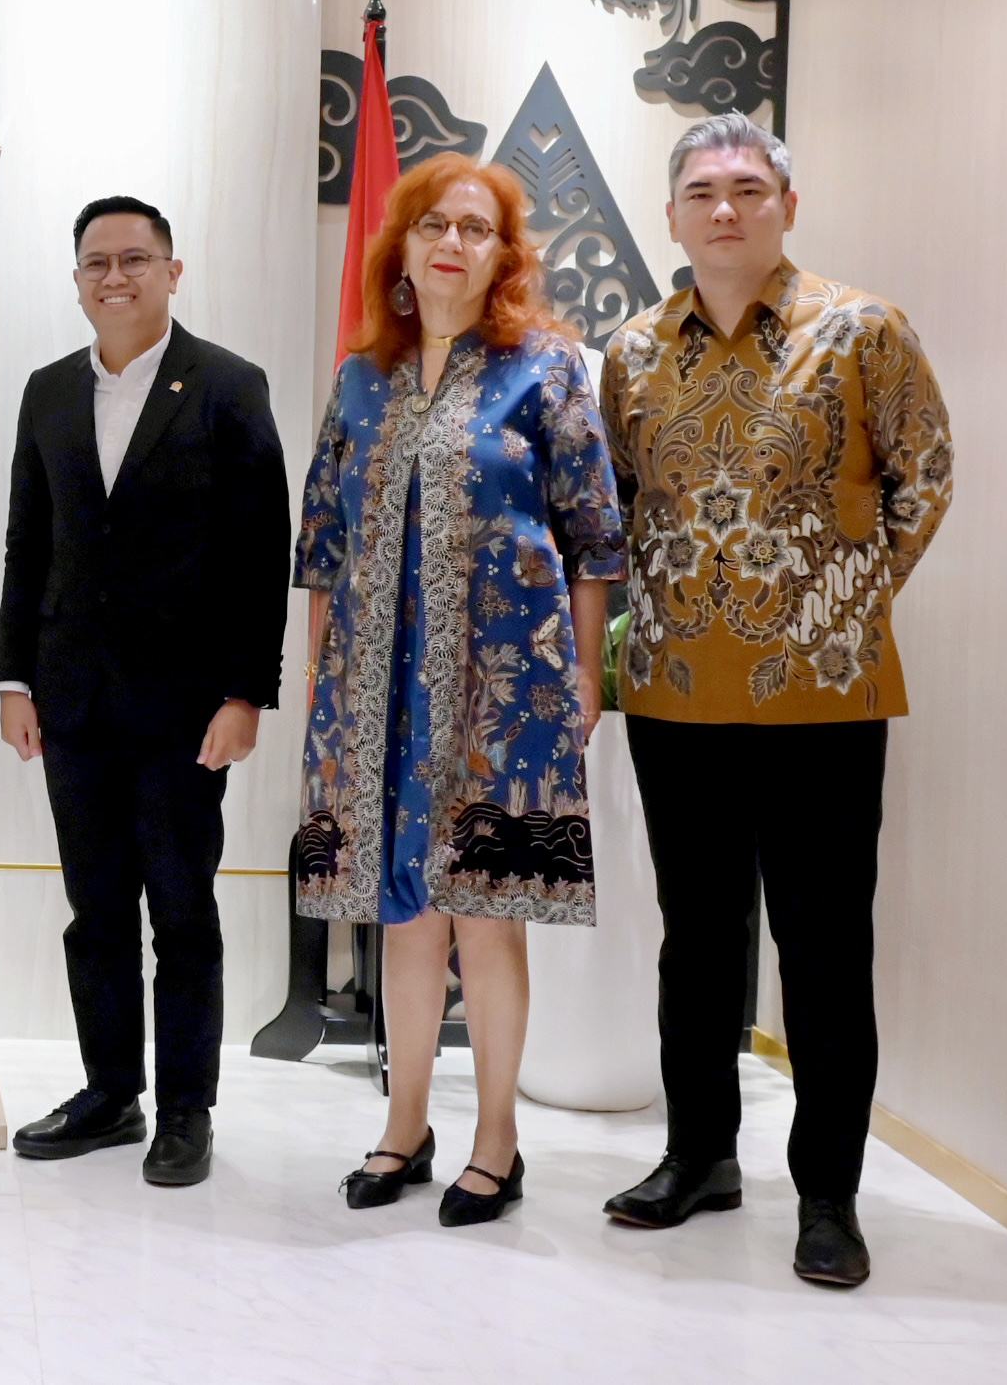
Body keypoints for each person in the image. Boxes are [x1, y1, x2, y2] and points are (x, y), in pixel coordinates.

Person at [598, 113, 952, 1287]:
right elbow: (621, 500)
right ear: (671, 216)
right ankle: (698, 1154)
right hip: (671, 697)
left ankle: (828, 1194)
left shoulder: (861, 329)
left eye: (748, 188)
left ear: (786, 207)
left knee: (823, 948)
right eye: (701, 190)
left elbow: (924, 473)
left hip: (824, 700)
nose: (725, 207)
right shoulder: (631, 351)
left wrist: (839, 600)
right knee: (695, 942)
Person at [291, 155, 623, 1226]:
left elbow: (593, 537)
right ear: (402, 246)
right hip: (376, 690)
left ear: (503, 255)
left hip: (505, 689)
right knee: (404, 913)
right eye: (434, 223)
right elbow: (323, 545)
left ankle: (496, 1142)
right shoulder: (361, 379)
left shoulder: (545, 369)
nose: (452, 242)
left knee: (484, 913)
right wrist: (323, 683)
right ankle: (404, 1128)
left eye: (476, 229)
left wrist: (583, 671)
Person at [0, 195, 290, 1188]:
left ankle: (185, 1108)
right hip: (70, 699)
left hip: (184, 709)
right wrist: (13, 675)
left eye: (133, 259)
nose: (113, 277)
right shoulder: (46, 391)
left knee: (181, 911)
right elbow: (27, 544)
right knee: (95, 912)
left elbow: (260, 555)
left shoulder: (228, 387)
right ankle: (110, 1092)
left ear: (172, 271)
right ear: (76, 279)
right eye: (96, 262)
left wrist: (245, 693)